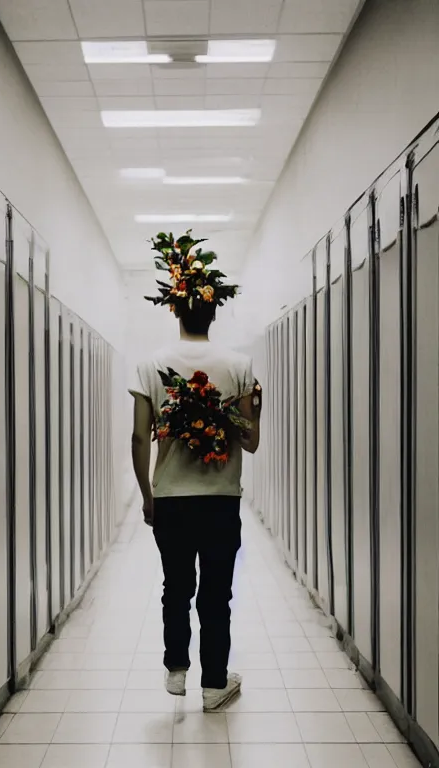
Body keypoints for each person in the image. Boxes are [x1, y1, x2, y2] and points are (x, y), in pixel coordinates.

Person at [128, 231, 261, 712]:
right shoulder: (240, 365)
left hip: (171, 500)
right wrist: (235, 413)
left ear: (175, 309)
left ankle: (176, 671)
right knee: (216, 594)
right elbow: (251, 438)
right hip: (221, 498)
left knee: (176, 587)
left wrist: (147, 494)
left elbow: (141, 438)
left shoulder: (149, 366)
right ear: (212, 310)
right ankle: (215, 684)